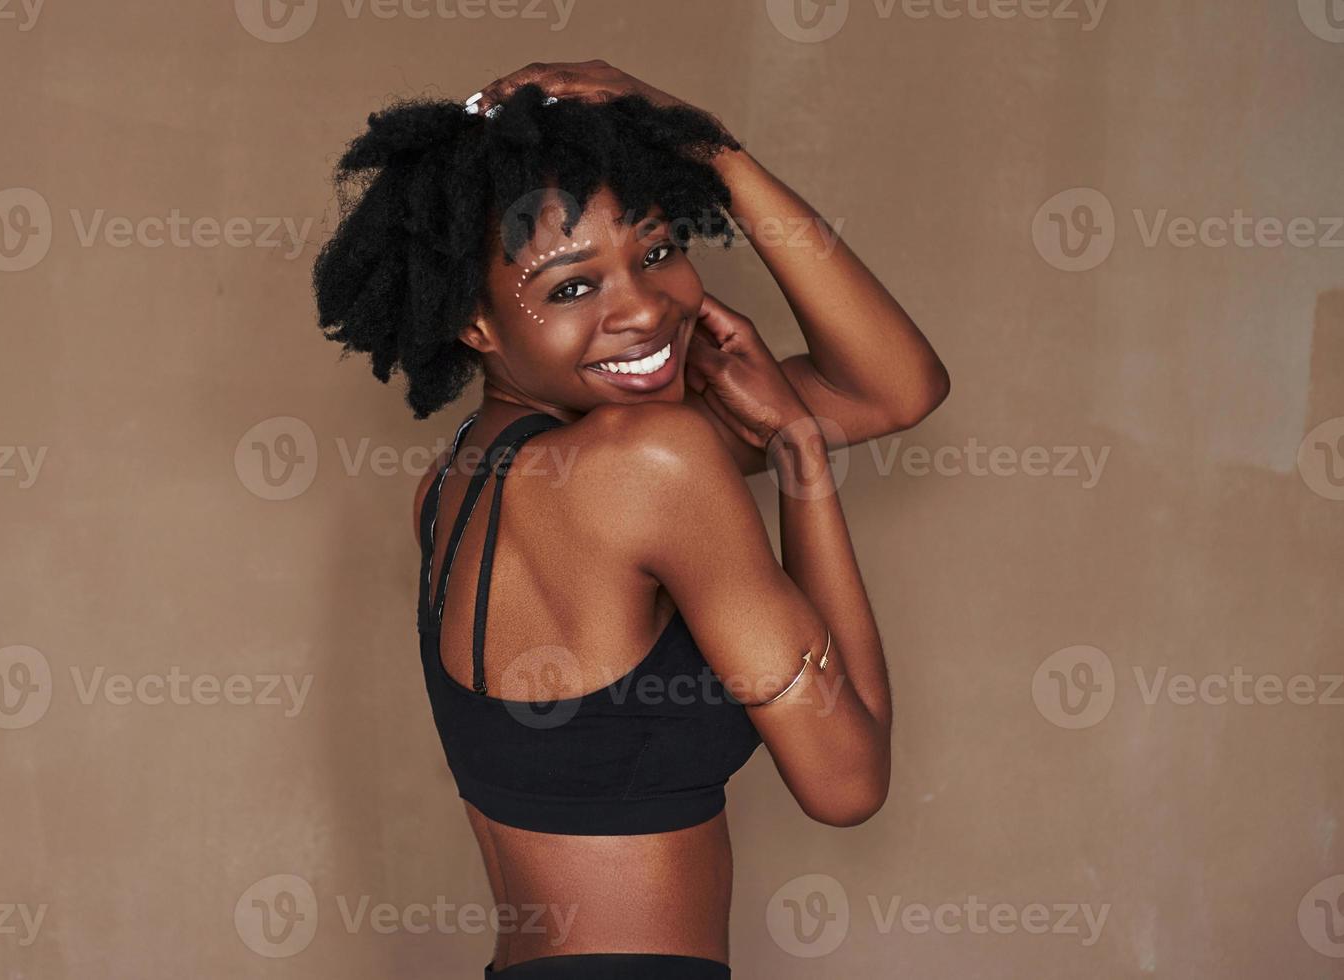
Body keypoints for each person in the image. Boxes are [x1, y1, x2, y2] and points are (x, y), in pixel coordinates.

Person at [312, 60, 950, 979]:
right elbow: (848, 783)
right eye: (573, 288)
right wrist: (801, 455)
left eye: (655, 253)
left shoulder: (461, 481)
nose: (645, 309)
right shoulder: (650, 465)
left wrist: (711, 150)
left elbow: (895, 387)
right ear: (475, 322)